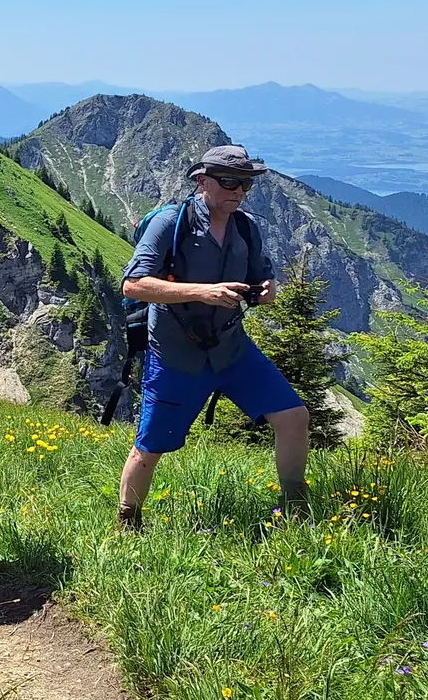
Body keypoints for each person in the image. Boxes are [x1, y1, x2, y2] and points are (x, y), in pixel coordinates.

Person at [117, 145, 310, 530]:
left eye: (245, 184)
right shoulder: (170, 223)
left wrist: (266, 290)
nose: (238, 191)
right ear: (202, 181)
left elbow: (261, 276)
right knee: (149, 447)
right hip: (176, 355)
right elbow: (133, 285)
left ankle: (296, 509)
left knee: (294, 417)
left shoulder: (246, 227)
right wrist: (202, 292)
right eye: (228, 182)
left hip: (232, 349)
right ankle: (127, 521)